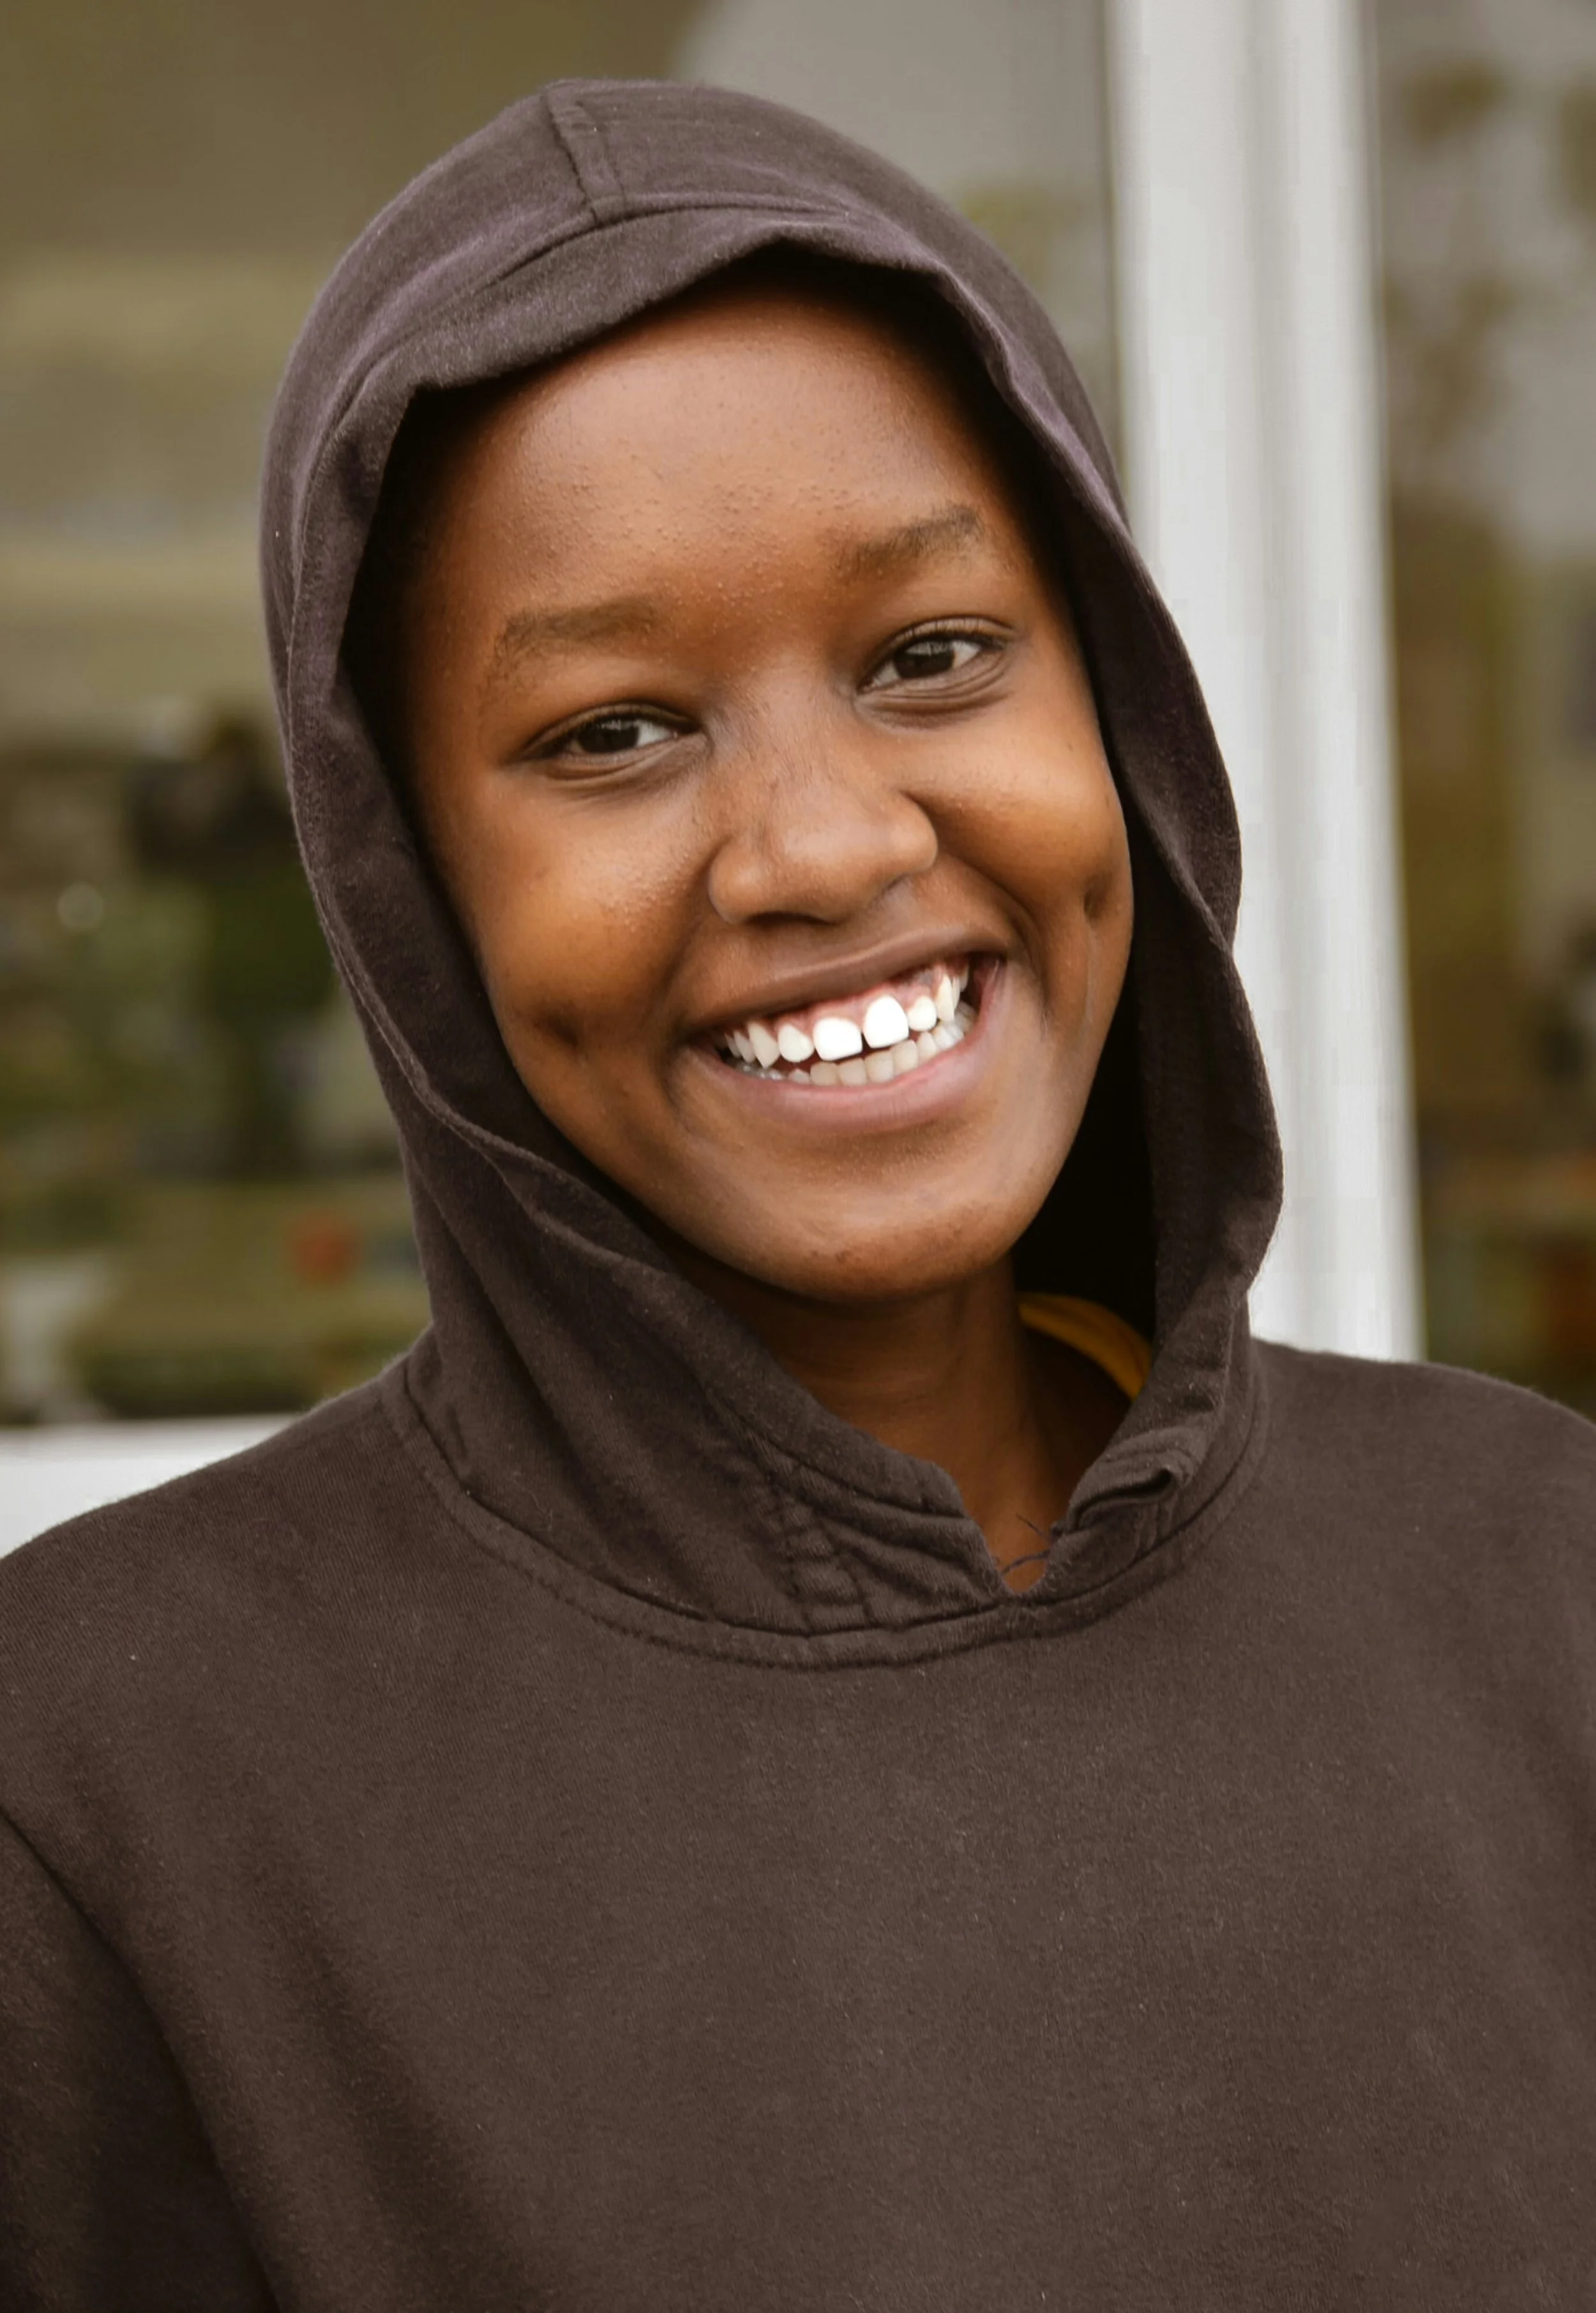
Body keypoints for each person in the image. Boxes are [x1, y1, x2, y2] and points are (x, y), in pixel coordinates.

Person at [1, 79, 1593, 2310]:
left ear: (1116, 713)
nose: (826, 846)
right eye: (612, 733)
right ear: (408, 882)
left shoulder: (1534, 1575)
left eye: (930, 656)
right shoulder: (108, 1782)